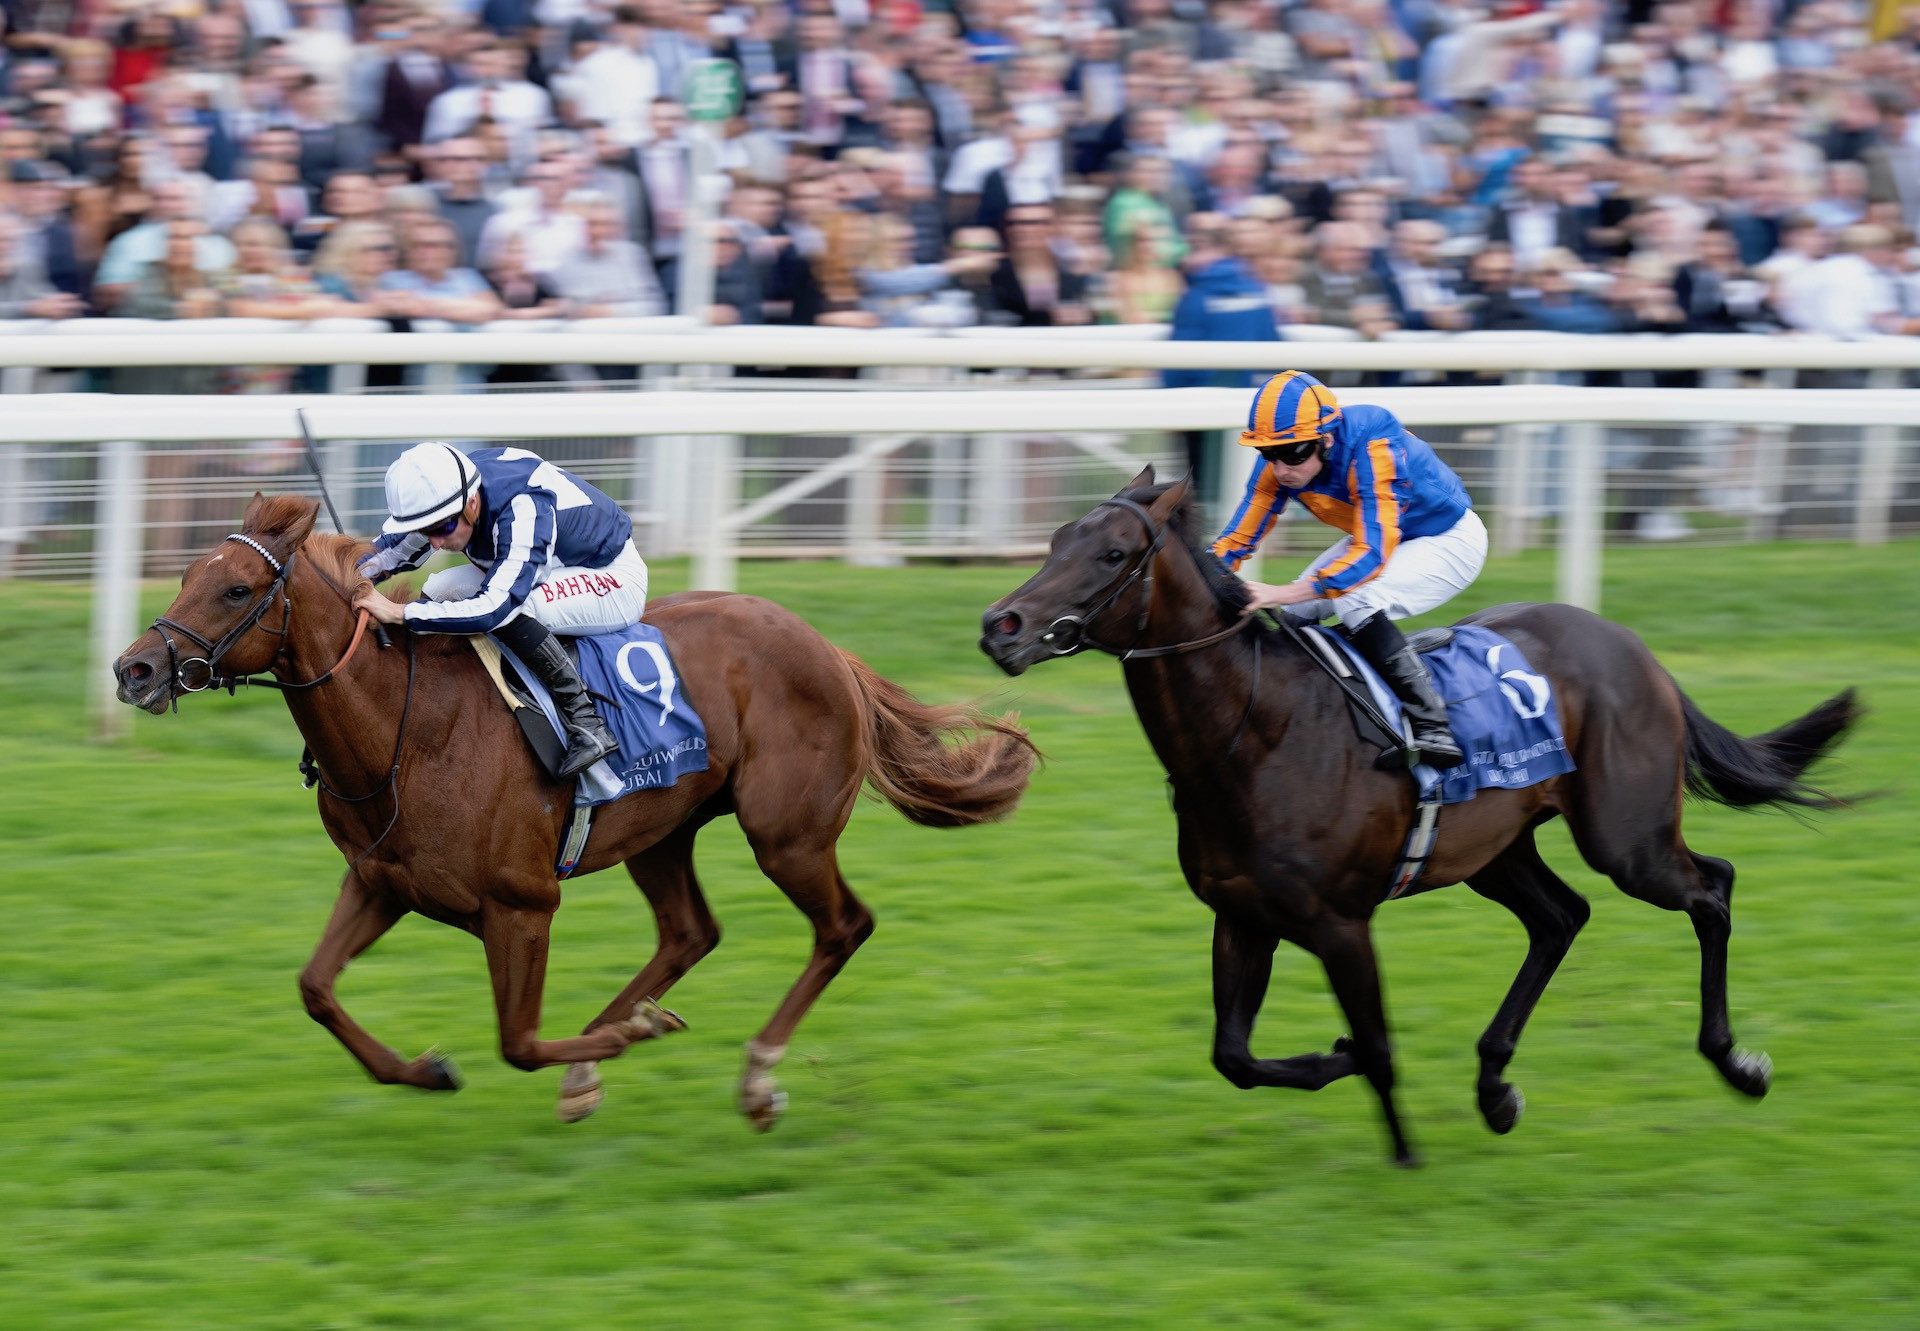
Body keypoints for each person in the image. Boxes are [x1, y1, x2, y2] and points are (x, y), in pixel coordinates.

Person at [1211, 371, 1486, 766]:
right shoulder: (1280, 463)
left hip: (1448, 539)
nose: (1282, 467)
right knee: (1294, 616)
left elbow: (1371, 554)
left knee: (1357, 600)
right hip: (1382, 534)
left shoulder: (1372, 441)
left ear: (1326, 438)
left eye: (1294, 453)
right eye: (1270, 453)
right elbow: (1234, 541)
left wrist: (1279, 591)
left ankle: (1434, 727)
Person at [353, 443, 647, 777]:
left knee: (521, 609)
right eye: (425, 530)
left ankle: (586, 723)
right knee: (439, 589)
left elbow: (495, 608)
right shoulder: (448, 493)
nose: (434, 542)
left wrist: (400, 613)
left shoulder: (523, 507)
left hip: (610, 576)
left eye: (443, 529)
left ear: (473, 503)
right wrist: (341, 580)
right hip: (547, 564)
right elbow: (387, 554)